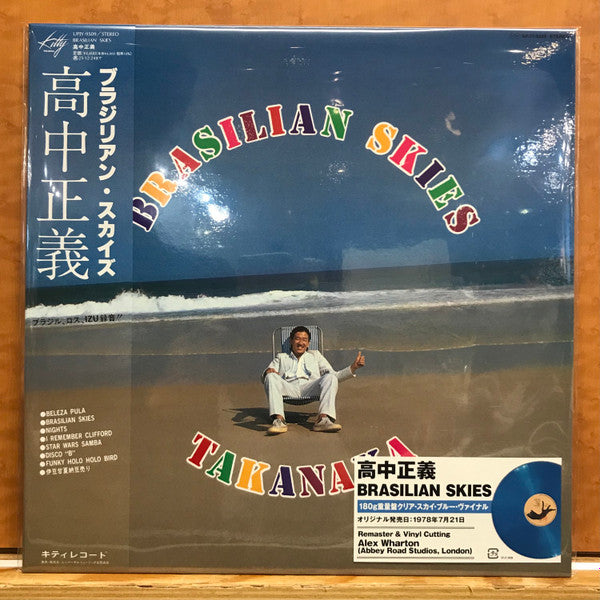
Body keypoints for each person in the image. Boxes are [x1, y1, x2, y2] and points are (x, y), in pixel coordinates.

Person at [262, 325, 365, 434]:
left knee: (330, 377)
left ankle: (323, 420)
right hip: (289, 388)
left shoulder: (316, 355)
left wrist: (353, 368)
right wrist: (268, 371)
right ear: (291, 341)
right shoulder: (281, 357)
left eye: (304, 340)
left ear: (308, 343)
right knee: (270, 376)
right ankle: (279, 421)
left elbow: (334, 376)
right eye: (297, 339)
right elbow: (266, 377)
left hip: (310, 387)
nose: (300, 343)